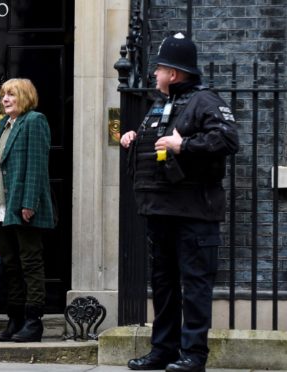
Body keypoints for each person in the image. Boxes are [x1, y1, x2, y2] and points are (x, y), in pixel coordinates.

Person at [120, 33, 239, 372]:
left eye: (159, 68)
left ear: (173, 72)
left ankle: (193, 355)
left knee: (195, 285)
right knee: (164, 285)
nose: (154, 75)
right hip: (160, 210)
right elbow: (157, 143)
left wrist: (183, 146)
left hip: (195, 211)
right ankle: (164, 350)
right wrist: (134, 137)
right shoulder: (160, 105)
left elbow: (228, 139)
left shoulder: (205, 101)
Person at [0, 78, 56, 343]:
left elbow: (37, 165)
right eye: (3, 95)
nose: (5, 99)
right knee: (10, 264)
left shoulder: (34, 121)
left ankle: (33, 322)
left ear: (25, 97)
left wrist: (29, 203)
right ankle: (14, 320)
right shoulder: (4, 126)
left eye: (11, 95)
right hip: (2, 205)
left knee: (30, 263)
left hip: (23, 204)